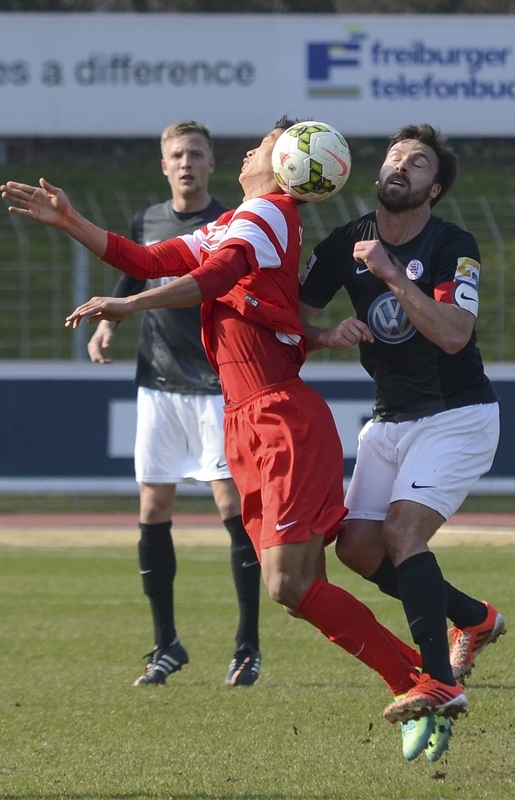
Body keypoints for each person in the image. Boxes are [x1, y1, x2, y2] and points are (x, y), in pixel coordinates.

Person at [2, 118, 457, 763]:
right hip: (249, 420)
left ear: (288, 165)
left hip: (279, 420)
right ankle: (426, 681)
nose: (248, 151)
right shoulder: (242, 220)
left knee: (288, 584)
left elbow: (214, 282)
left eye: (262, 145)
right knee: (300, 587)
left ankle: (422, 679)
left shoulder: (268, 213)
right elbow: (148, 258)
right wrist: (72, 222)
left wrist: (127, 309)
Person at [298, 124, 506, 746]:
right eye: (395, 157)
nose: (401, 166)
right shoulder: (344, 242)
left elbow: (453, 333)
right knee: (358, 549)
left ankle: (439, 681)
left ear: (433, 188)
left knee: (402, 532)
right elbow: (293, 313)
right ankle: (473, 618)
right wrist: (322, 335)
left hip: (457, 414)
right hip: (389, 419)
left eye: (417, 163)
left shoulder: (453, 244)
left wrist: (390, 274)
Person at [88, 121, 262, 688]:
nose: (186, 162)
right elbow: (134, 271)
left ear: (212, 163)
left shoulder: (233, 224)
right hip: (158, 385)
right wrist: (108, 322)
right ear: (163, 166)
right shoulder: (147, 220)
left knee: (231, 510)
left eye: (195, 153)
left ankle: (247, 646)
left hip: (216, 386)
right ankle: (166, 644)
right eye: (176, 155)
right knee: (153, 509)